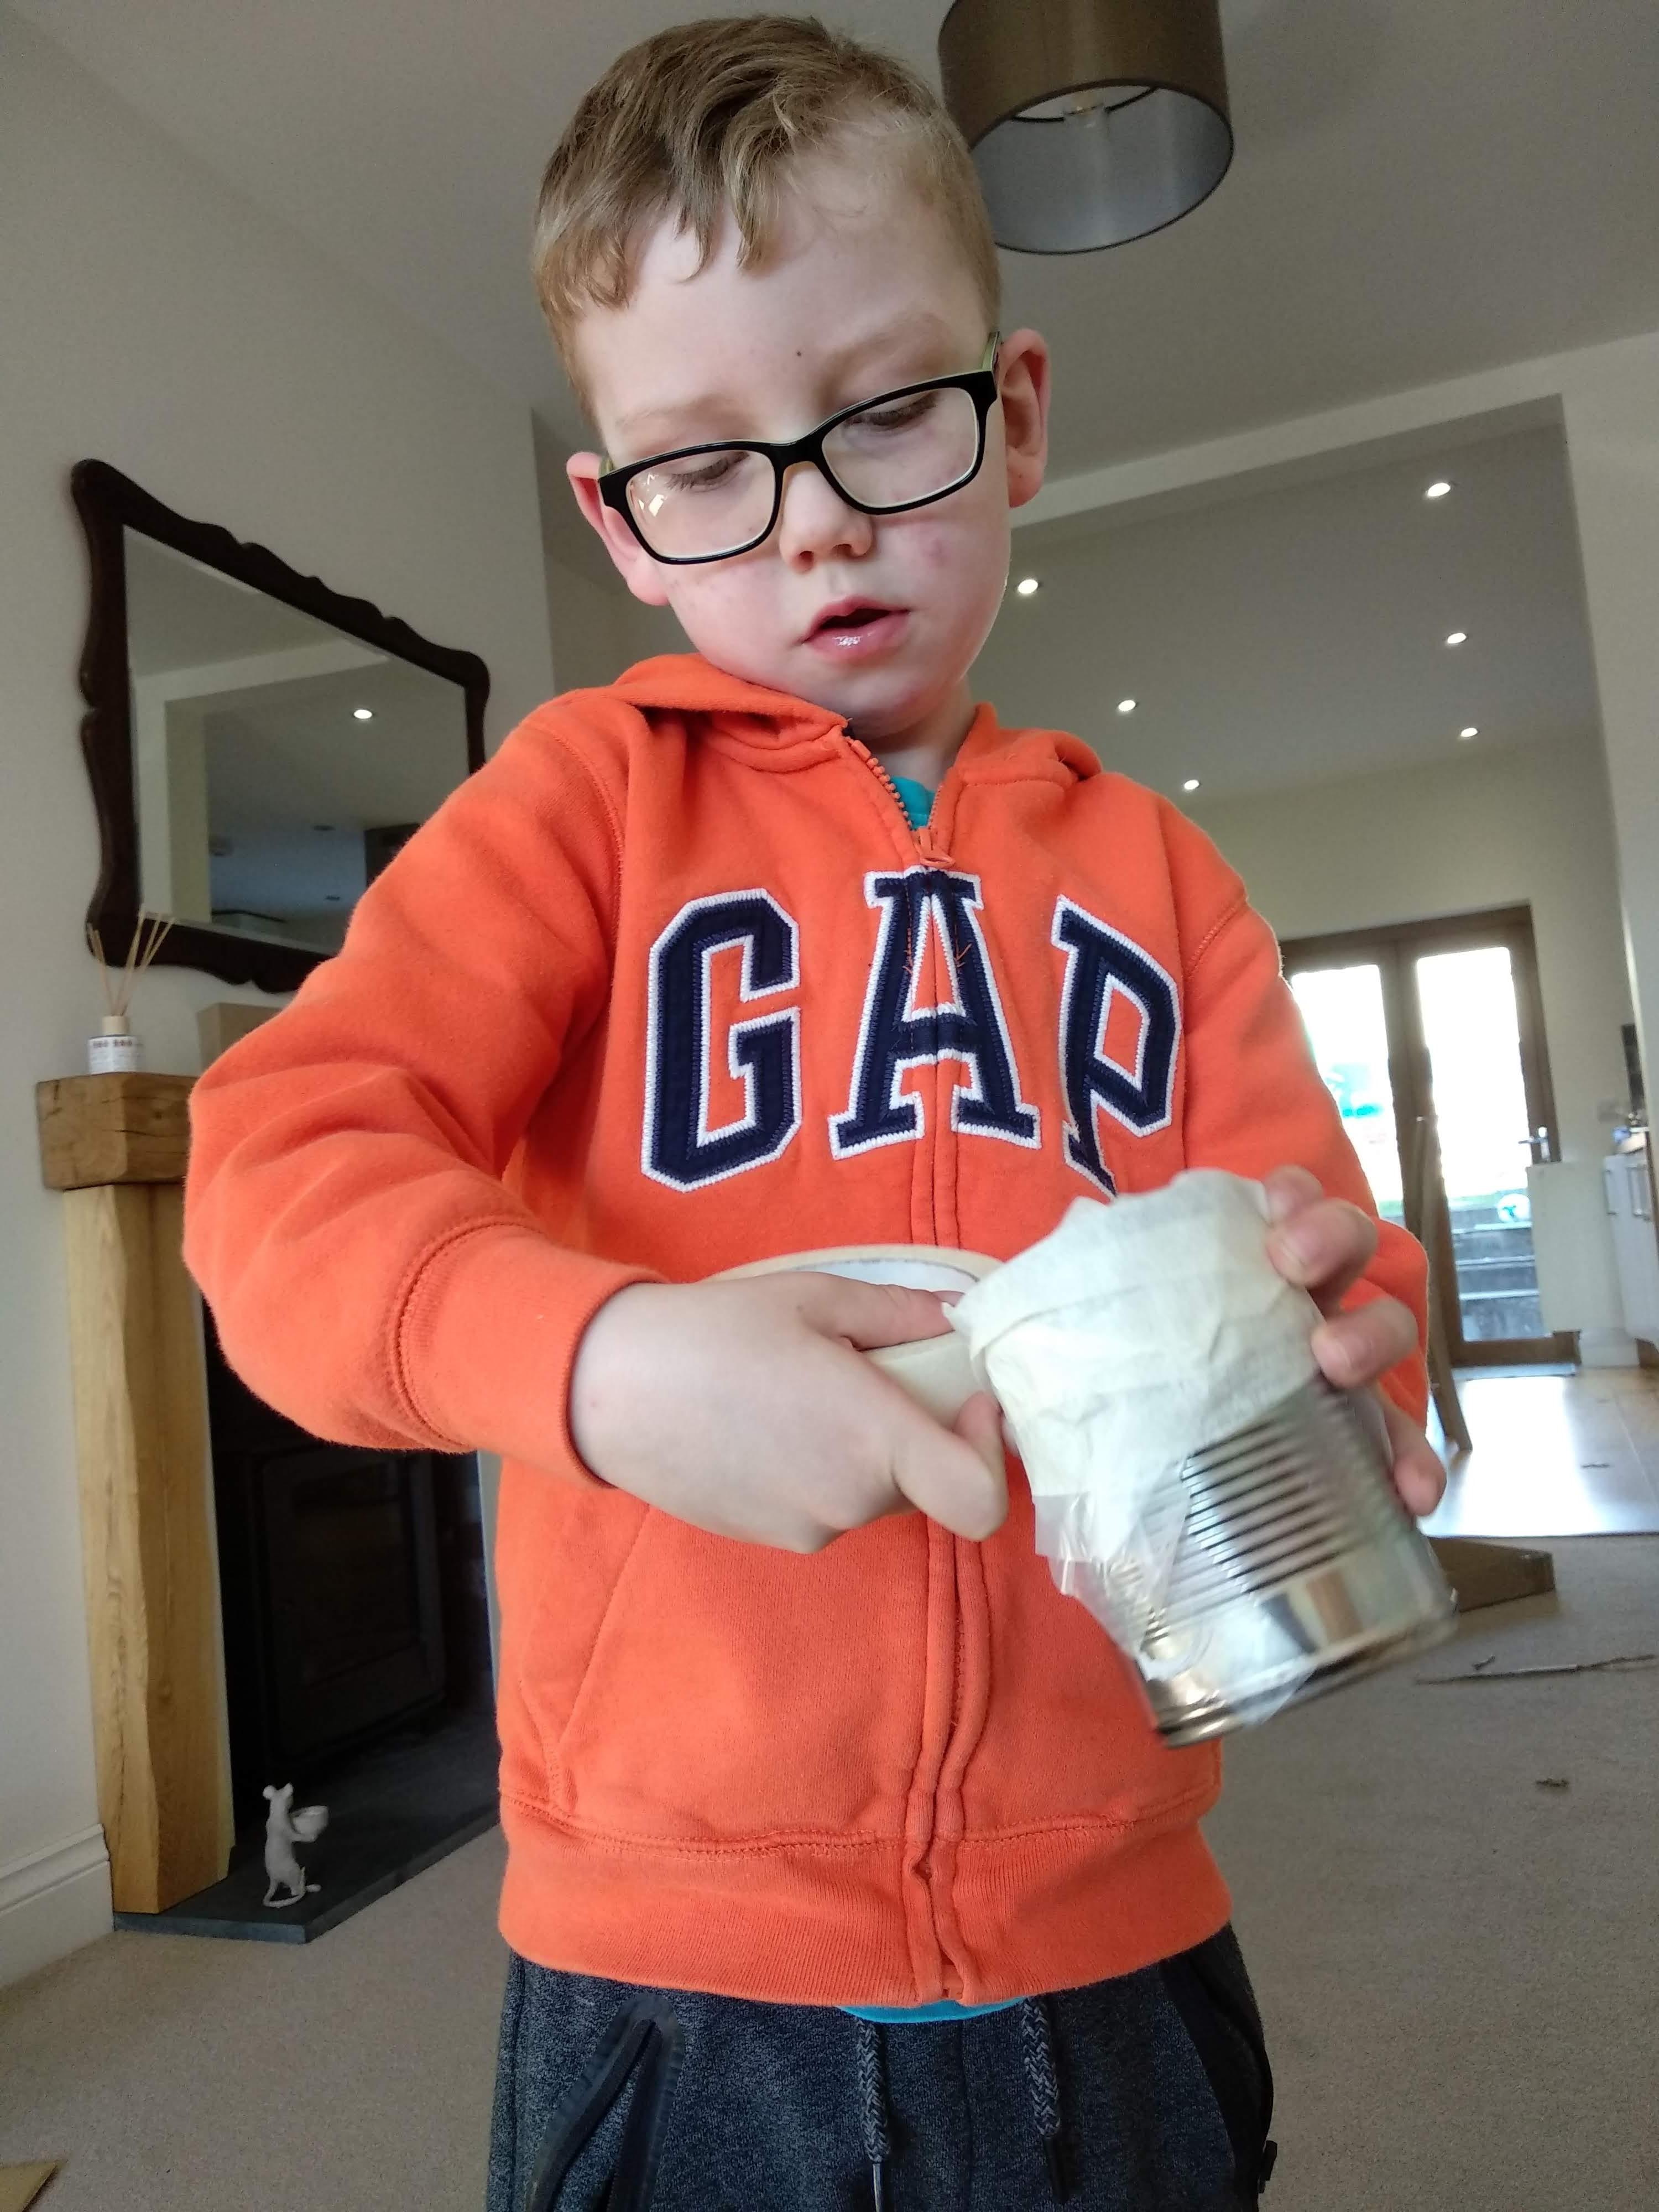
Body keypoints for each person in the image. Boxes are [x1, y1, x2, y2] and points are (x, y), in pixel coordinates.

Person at [184, 17, 1444, 2209]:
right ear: (620, 521)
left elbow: (1317, 1240)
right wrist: (601, 1362)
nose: (821, 519)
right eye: (707, 463)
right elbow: (278, 1173)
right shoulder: (581, 810)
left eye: (885, 414)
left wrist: (1363, 1353)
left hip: (1114, 1936)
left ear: (1014, 412)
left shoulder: (1160, 875)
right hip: (674, 1978)